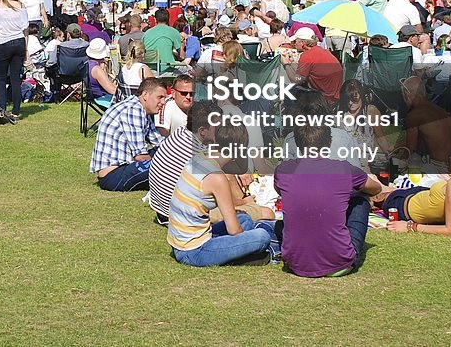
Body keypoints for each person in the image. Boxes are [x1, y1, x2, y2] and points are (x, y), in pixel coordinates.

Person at [275, 122, 382, 277]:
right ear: (329, 142)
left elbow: (280, 190)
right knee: (361, 198)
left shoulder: (283, 170)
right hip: (340, 263)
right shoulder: (344, 169)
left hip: (295, 263)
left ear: (297, 143)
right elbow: (375, 188)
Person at [167, 122, 272, 267]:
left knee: (244, 219)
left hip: (181, 241)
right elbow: (234, 230)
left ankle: (238, 253)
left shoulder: (199, 157)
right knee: (261, 237)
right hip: (193, 251)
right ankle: (240, 256)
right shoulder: (217, 178)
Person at [89, 77, 167, 191]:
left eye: (164, 98)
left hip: (125, 167)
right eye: (160, 97)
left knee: (167, 156)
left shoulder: (141, 109)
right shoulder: (133, 109)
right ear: (145, 95)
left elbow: (161, 144)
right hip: (112, 176)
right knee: (166, 165)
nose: (163, 102)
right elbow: (141, 157)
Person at [398, 76, 451, 166]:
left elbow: (410, 151)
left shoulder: (414, 115)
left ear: (407, 94)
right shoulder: (440, 111)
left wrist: (397, 161)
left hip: (439, 167)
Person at [283, 28, 343, 105]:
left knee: (288, 92)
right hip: (335, 95)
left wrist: (286, 64)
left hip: (324, 98)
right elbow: (302, 74)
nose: (294, 44)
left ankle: (292, 116)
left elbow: (296, 80)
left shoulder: (307, 56)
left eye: (295, 41)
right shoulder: (322, 51)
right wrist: (292, 64)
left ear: (302, 43)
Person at [85, 38, 116, 108]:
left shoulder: (88, 64)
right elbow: (112, 90)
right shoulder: (97, 69)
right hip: (101, 98)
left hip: (93, 96)